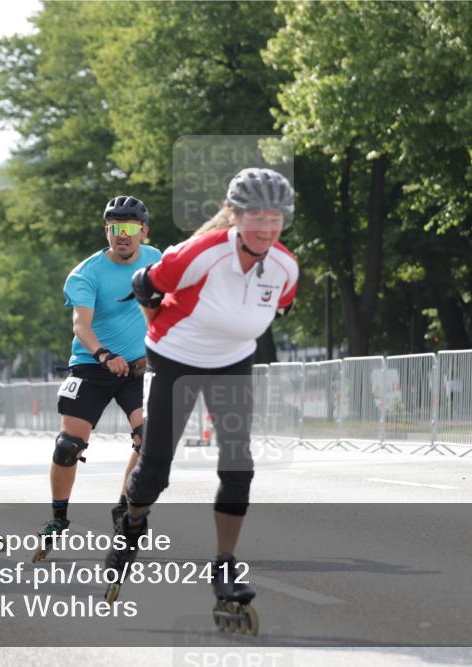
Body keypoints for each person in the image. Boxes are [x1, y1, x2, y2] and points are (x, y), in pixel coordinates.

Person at [105, 169, 299, 636]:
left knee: (239, 467)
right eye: (255, 216)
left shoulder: (286, 267)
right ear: (234, 216)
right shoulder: (199, 254)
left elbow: (275, 309)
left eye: (275, 218)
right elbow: (144, 285)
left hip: (232, 363)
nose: (265, 227)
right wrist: (161, 334)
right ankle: (131, 523)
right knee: (154, 472)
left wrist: (229, 335)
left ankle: (225, 566)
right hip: (175, 359)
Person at [34, 195, 162, 561]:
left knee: (148, 438)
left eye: (131, 229)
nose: (123, 236)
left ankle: (124, 509)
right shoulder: (86, 273)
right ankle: (58, 517)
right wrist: (105, 355)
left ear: (143, 232)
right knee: (68, 445)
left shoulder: (158, 261)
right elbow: (81, 324)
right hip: (93, 364)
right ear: (106, 231)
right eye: (115, 229)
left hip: (139, 368)